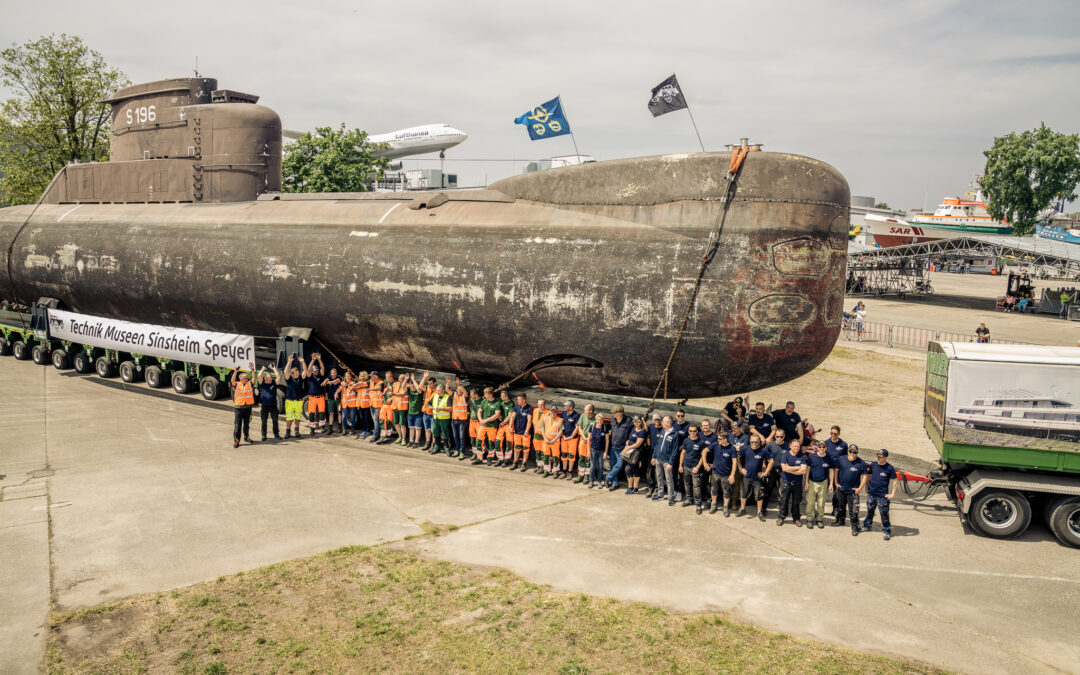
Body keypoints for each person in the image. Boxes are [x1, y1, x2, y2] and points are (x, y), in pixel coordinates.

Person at [862, 449, 898, 540]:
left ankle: (886, 531)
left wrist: (892, 494)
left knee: (884, 514)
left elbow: (895, 481)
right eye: (877, 455)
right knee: (870, 511)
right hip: (871, 493)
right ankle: (867, 526)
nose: (878, 457)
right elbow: (869, 476)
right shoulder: (873, 465)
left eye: (880, 456)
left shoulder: (890, 468)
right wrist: (866, 487)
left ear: (885, 457)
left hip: (882, 496)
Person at [834, 444, 868, 535]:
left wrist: (860, 488)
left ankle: (855, 526)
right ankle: (840, 521)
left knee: (854, 510)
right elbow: (836, 470)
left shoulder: (861, 463)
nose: (852, 453)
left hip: (853, 491)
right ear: (848, 451)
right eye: (850, 451)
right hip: (841, 489)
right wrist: (836, 483)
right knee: (840, 507)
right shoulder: (841, 459)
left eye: (854, 452)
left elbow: (865, 476)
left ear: (857, 453)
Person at [737, 436, 771, 521]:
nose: (754, 444)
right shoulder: (745, 448)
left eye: (755, 442)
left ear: (759, 441)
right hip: (746, 477)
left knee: (759, 496)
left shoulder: (763, 450)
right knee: (743, 494)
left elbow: (771, 461)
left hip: (757, 478)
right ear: (750, 441)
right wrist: (741, 469)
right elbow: (737, 458)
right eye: (752, 442)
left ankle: (759, 512)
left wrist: (765, 472)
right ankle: (742, 509)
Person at [803, 440, 834, 528]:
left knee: (821, 503)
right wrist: (806, 482)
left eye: (823, 447)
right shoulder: (812, 457)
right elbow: (807, 470)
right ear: (817, 448)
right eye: (820, 447)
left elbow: (831, 471)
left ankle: (819, 519)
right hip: (812, 482)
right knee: (810, 502)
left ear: (826, 448)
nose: (821, 448)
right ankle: (809, 519)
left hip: (823, 483)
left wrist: (831, 484)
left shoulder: (829, 458)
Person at [776, 439, 807, 526]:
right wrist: (797, 467)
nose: (796, 448)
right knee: (783, 501)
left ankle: (796, 518)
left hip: (797, 483)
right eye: (795, 446)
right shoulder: (785, 455)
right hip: (786, 483)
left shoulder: (802, 456)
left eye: (798, 446)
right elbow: (784, 468)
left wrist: (790, 468)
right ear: (790, 446)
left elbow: (804, 470)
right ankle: (781, 517)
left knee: (796, 502)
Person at [650, 416, 680, 505]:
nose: (661, 422)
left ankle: (671, 497)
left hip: (667, 461)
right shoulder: (663, 431)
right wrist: (653, 456)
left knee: (669, 479)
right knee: (659, 477)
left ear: (668, 423)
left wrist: (671, 463)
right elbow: (657, 445)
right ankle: (660, 494)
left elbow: (675, 450)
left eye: (663, 421)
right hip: (658, 458)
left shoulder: (675, 434)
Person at [678, 425, 707, 514]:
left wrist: (697, 467)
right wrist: (680, 466)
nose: (692, 433)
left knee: (696, 487)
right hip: (686, 466)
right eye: (690, 431)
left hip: (695, 468)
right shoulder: (686, 441)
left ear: (697, 431)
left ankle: (698, 505)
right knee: (687, 484)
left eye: (694, 431)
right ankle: (689, 499)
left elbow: (703, 456)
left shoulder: (701, 442)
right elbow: (683, 453)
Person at [763, 428, 790, 514]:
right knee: (768, 490)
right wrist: (764, 466)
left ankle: (783, 510)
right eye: (777, 437)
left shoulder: (788, 446)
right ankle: (763, 508)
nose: (779, 438)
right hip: (772, 471)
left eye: (781, 437)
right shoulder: (770, 445)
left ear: (784, 436)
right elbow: (763, 455)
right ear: (775, 436)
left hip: (783, 472)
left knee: (784, 491)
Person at [823, 425, 848, 519]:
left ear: (839, 434)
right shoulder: (826, 443)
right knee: (823, 491)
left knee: (837, 492)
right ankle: (819, 510)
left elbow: (846, 457)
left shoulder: (843, 445)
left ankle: (836, 509)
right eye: (831, 433)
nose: (833, 435)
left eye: (835, 434)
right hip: (827, 471)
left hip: (838, 472)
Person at [606, 405, 633, 490]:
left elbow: (633, 430)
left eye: (615, 412)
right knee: (613, 465)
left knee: (619, 465)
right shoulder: (613, 420)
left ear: (620, 413)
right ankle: (615, 483)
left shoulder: (628, 420)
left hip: (621, 448)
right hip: (613, 447)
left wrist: (629, 439)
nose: (613, 414)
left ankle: (608, 477)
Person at [230, 362, 256, 447]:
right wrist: (235, 372)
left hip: (248, 408)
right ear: (241, 379)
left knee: (246, 424)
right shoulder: (237, 384)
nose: (247, 379)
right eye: (246, 378)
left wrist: (252, 370)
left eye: (247, 378)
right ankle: (236, 441)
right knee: (238, 425)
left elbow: (254, 379)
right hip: (239, 408)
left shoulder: (249, 384)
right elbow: (232, 380)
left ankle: (246, 437)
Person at [475, 387, 502, 465]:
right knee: (479, 441)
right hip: (483, 425)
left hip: (492, 426)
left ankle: (490, 459)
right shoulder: (484, 401)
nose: (484, 395)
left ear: (490, 394)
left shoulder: (497, 403)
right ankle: (479, 458)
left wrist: (486, 420)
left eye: (485, 394)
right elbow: (479, 411)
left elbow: (497, 415)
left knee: (491, 443)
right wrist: (480, 420)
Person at [255, 363, 282, 441]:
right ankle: (264, 435)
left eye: (270, 377)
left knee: (275, 421)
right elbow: (259, 376)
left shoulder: (274, 383)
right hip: (264, 406)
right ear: (265, 378)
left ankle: (276, 434)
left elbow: (278, 377)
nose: (270, 379)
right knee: (264, 421)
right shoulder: (262, 384)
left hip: (273, 405)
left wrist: (273, 369)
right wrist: (263, 369)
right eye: (268, 378)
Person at [727, 421, 749, 511]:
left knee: (736, 484)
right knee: (726, 483)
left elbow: (744, 448)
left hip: (739, 462)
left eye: (735, 428)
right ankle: (727, 502)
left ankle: (734, 503)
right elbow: (728, 446)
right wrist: (737, 446)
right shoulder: (729, 435)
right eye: (732, 427)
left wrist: (735, 446)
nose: (733, 429)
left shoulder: (745, 437)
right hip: (728, 462)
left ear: (740, 428)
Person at [623, 416, 648, 495]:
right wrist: (628, 441)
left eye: (638, 421)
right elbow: (630, 438)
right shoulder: (633, 428)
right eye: (634, 421)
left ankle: (630, 487)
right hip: (631, 452)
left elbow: (638, 444)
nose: (636, 423)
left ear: (641, 422)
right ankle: (636, 488)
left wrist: (627, 448)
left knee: (628, 469)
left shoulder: (643, 431)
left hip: (637, 453)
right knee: (635, 469)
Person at [303, 353, 328, 435]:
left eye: (317, 370)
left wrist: (319, 360)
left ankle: (322, 427)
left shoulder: (321, 376)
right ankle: (312, 429)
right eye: (315, 371)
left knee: (322, 413)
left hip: (320, 397)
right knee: (311, 413)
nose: (316, 372)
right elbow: (309, 370)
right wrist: (313, 360)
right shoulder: (310, 377)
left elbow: (323, 369)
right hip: (312, 398)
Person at [282, 355, 306, 439]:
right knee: (289, 418)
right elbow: (285, 372)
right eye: (295, 373)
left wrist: (303, 362)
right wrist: (289, 362)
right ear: (292, 374)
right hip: (290, 401)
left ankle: (296, 431)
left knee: (297, 417)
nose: (297, 374)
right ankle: (288, 431)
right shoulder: (289, 379)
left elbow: (305, 371)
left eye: (298, 372)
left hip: (298, 401)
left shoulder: (300, 378)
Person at [510, 393, 534, 470]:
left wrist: (527, 431)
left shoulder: (529, 408)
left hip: (525, 433)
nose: (517, 401)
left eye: (519, 399)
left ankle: (524, 464)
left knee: (525, 449)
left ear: (524, 400)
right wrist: (511, 426)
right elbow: (512, 416)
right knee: (516, 448)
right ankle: (515, 462)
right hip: (517, 431)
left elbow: (529, 420)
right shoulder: (516, 406)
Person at [574, 403, 595, 483]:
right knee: (582, 458)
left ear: (591, 411)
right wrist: (583, 437)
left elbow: (597, 430)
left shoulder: (596, 418)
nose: (584, 411)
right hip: (583, 440)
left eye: (586, 410)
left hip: (591, 441)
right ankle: (580, 476)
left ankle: (586, 477)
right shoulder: (583, 416)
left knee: (589, 459)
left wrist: (589, 438)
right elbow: (579, 427)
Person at [645, 413, 664, 498]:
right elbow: (647, 435)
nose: (657, 421)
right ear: (653, 420)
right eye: (655, 419)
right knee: (649, 470)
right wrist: (648, 441)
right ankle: (650, 488)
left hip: (660, 452)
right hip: (651, 451)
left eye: (658, 419)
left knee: (658, 471)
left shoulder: (664, 428)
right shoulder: (651, 427)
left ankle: (657, 488)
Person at [430, 383, 453, 454]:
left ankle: (447, 448)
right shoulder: (435, 396)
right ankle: (437, 447)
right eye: (437, 390)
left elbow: (450, 408)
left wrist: (441, 409)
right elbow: (429, 403)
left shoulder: (448, 397)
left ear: (443, 390)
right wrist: (425, 405)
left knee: (445, 434)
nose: (438, 392)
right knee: (436, 433)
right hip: (436, 418)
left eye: (439, 390)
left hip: (444, 419)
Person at [588, 411, 609, 488]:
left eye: (600, 419)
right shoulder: (592, 427)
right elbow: (588, 439)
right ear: (595, 420)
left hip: (601, 451)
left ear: (603, 420)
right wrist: (588, 450)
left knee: (600, 467)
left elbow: (607, 441)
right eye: (598, 419)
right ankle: (591, 481)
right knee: (592, 466)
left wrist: (606, 452)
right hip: (593, 449)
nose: (599, 421)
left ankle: (599, 481)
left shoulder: (605, 428)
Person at [542, 403, 564, 476]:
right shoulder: (546, 418)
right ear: (550, 411)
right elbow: (542, 429)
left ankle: (555, 471)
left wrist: (554, 440)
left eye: (554, 411)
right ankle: (546, 470)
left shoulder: (560, 420)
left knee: (555, 457)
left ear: (557, 412)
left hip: (555, 442)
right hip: (546, 441)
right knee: (546, 456)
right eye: (552, 411)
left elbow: (561, 432)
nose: (553, 413)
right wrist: (545, 438)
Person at [496, 390, 516, 466]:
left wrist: (503, 422)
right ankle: (500, 458)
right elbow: (498, 412)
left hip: (508, 425)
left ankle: (507, 460)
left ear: (506, 396)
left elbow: (510, 415)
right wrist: (499, 416)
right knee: (498, 441)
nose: (501, 397)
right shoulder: (501, 403)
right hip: (502, 425)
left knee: (509, 443)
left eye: (502, 396)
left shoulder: (511, 404)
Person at [451, 383, 471, 459]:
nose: (460, 390)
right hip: (454, 418)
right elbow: (447, 390)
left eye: (460, 389)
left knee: (462, 437)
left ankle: (462, 451)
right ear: (456, 390)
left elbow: (466, 393)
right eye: (458, 389)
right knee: (455, 436)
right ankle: (457, 450)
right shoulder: (454, 395)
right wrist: (449, 383)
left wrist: (460, 385)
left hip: (462, 420)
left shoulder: (464, 396)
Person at [530, 398, 550, 473]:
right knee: (537, 452)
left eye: (542, 404)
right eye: (539, 404)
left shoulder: (548, 412)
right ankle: (538, 466)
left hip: (543, 436)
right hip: (536, 435)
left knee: (543, 453)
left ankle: (543, 468)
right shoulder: (535, 411)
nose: (540, 406)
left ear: (545, 405)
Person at [366, 371, 384, 442]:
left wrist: (370, 389)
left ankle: (375, 435)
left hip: (378, 405)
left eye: (372, 376)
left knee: (376, 420)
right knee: (374, 420)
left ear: (376, 376)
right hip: (372, 404)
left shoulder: (381, 383)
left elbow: (379, 388)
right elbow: (363, 384)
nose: (371, 377)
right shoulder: (370, 381)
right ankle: (377, 433)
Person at [338, 372, 357, 437]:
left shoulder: (353, 383)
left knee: (352, 417)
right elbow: (340, 389)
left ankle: (352, 429)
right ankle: (344, 429)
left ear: (351, 377)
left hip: (352, 403)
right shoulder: (342, 383)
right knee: (344, 417)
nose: (347, 377)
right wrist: (336, 393)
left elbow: (355, 389)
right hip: (345, 403)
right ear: (345, 377)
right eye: (346, 376)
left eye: (349, 376)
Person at [324, 367, 342, 434]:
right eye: (332, 373)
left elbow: (336, 381)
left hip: (338, 399)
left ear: (336, 373)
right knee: (331, 413)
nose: (333, 374)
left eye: (335, 372)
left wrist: (330, 382)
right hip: (331, 399)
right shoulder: (329, 377)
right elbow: (326, 383)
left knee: (339, 413)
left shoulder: (339, 378)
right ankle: (330, 428)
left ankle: (340, 426)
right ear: (330, 373)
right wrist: (325, 381)